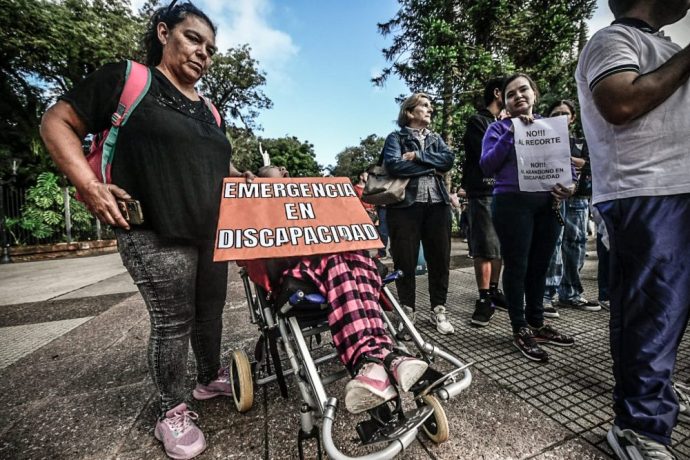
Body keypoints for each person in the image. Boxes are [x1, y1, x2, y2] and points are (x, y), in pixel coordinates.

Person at [39, 3, 252, 458]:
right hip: (152, 229)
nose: (203, 53)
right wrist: (90, 185)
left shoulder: (210, 110)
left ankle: (207, 378)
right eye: (193, 38)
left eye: (210, 48)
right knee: (173, 321)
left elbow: (213, 162)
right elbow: (56, 121)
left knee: (210, 313)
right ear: (163, 33)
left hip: (209, 232)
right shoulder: (128, 80)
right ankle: (170, 409)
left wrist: (243, 177)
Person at [576, 1, 690, 457]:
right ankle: (639, 425)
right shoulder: (613, 40)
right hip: (646, 190)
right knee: (652, 312)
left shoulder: (670, 48)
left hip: (676, 187)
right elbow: (620, 101)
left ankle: (660, 387)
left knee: (673, 310)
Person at [252, 165, 428, 414]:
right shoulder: (260, 207)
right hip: (297, 268)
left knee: (360, 260)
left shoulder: (309, 198)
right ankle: (367, 360)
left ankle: (387, 355)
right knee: (335, 260)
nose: (281, 169)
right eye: (271, 170)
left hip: (333, 259)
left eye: (282, 170)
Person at [480, 73, 576, 363]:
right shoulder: (498, 128)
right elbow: (487, 166)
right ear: (505, 101)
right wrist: (512, 131)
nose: (518, 96)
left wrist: (569, 187)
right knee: (517, 265)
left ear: (534, 94)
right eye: (511, 94)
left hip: (547, 204)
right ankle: (519, 327)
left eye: (524, 90)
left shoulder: (550, 127)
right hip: (511, 204)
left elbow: (566, 166)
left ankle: (537, 323)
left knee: (539, 265)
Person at [382, 93, 455, 335]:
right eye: (424, 106)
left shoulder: (435, 138)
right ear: (410, 112)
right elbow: (394, 165)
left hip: (438, 205)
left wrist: (419, 156)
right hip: (405, 207)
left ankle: (438, 309)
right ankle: (407, 311)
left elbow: (448, 160)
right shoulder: (396, 137)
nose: (430, 109)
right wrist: (432, 167)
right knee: (405, 260)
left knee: (440, 259)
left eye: (430, 106)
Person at [542, 100, 600, 318]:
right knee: (554, 243)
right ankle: (547, 295)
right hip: (553, 197)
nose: (560, 116)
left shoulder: (581, 142)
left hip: (578, 199)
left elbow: (591, 163)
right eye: (555, 113)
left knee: (575, 244)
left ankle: (571, 293)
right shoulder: (543, 140)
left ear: (572, 117)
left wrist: (567, 160)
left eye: (564, 113)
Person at [462, 77, 509, 327]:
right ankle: (483, 298)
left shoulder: (509, 122)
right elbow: (487, 153)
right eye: (510, 91)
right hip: (483, 190)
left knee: (499, 245)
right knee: (484, 244)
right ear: (498, 93)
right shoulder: (478, 121)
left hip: (505, 191)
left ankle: (493, 290)